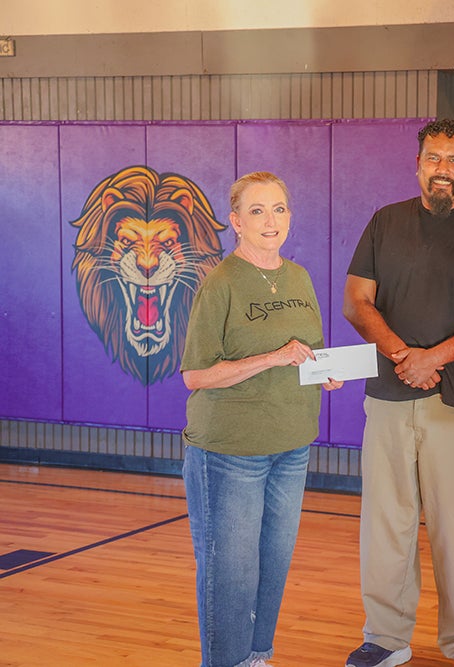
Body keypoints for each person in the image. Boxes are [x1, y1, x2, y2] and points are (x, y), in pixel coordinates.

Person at [342, 118, 454, 667]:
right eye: (432, 159)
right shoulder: (384, 222)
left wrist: (433, 359)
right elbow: (357, 303)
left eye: (453, 160)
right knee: (385, 525)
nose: (442, 169)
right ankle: (386, 638)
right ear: (418, 164)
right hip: (390, 400)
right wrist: (403, 357)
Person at [181, 171, 343, 667]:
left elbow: (307, 351)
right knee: (230, 573)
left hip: (292, 444)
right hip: (230, 452)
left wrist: (324, 372)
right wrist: (271, 358)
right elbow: (196, 376)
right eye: (257, 211)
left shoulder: (298, 278)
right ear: (236, 221)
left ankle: (258, 657)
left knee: (272, 565)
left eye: (278, 209)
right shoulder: (221, 282)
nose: (270, 220)